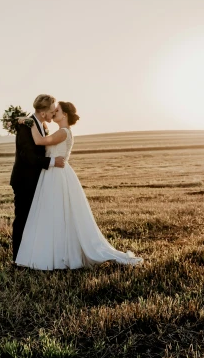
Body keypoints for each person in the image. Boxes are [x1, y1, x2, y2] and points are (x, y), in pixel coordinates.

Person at [15, 101, 143, 270]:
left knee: (59, 212)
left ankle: (60, 254)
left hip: (58, 176)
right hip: (51, 174)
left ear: (65, 115)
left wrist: (30, 123)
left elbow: (39, 142)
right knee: (53, 214)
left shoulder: (63, 132)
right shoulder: (59, 131)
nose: (53, 113)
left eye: (57, 110)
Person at [9, 94, 66, 262]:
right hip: (24, 181)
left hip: (37, 181)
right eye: (52, 111)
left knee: (35, 219)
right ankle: (18, 259)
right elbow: (28, 157)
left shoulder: (41, 126)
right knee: (23, 219)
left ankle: (32, 255)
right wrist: (53, 161)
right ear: (43, 114)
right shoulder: (26, 127)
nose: (54, 113)